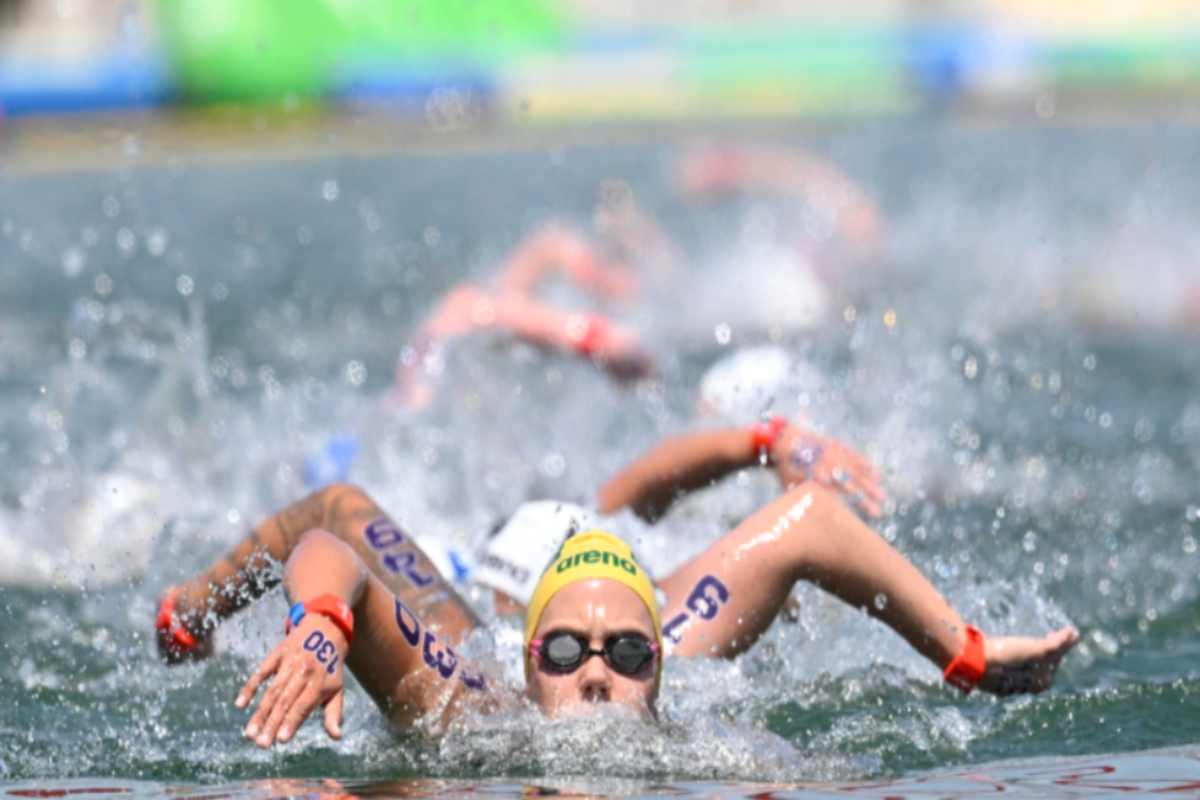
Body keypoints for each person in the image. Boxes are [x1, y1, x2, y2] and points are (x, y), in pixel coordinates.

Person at [157, 445, 1075, 749]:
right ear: (528, 655)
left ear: (663, 660)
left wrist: (964, 653)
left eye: (628, 655)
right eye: (564, 653)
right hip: (465, 624)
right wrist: (321, 624)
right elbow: (325, 545)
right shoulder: (468, 708)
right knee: (344, 507)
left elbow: (809, 520)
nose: (596, 677)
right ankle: (190, 605)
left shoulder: (672, 663)